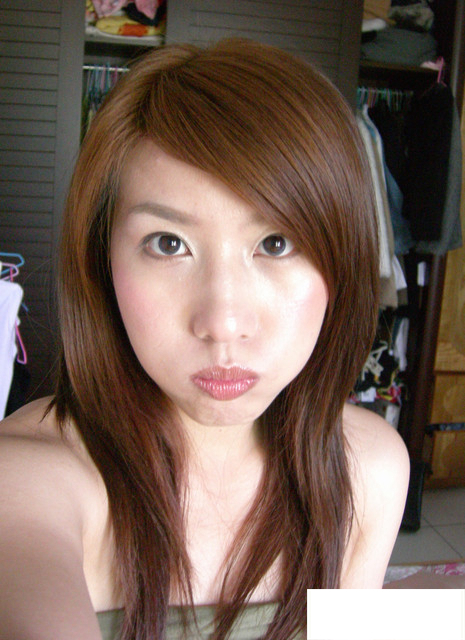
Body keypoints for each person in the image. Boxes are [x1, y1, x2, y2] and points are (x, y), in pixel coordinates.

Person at [0, 39, 410, 640]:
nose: (223, 322)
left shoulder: (366, 467)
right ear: (102, 260)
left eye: (276, 244)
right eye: (168, 244)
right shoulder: (26, 479)